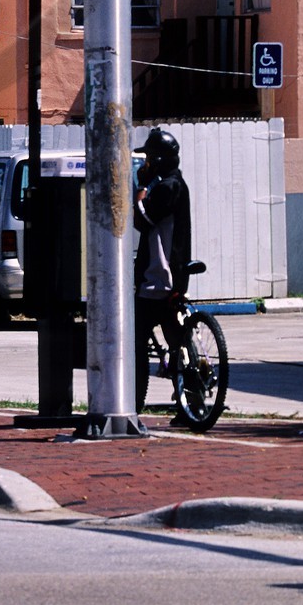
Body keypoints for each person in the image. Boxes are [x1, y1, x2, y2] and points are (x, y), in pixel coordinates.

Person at [134, 126, 192, 409]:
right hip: (171, 276)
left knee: (137, 343)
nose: (145, 163)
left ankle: (132, 399)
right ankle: (189, 401)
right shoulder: (175, 183)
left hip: (158, 278)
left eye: (148, 158)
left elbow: (141, 220)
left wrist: (140, 189)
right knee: (177, 340)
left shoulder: (168, 187)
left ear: (157, 160)